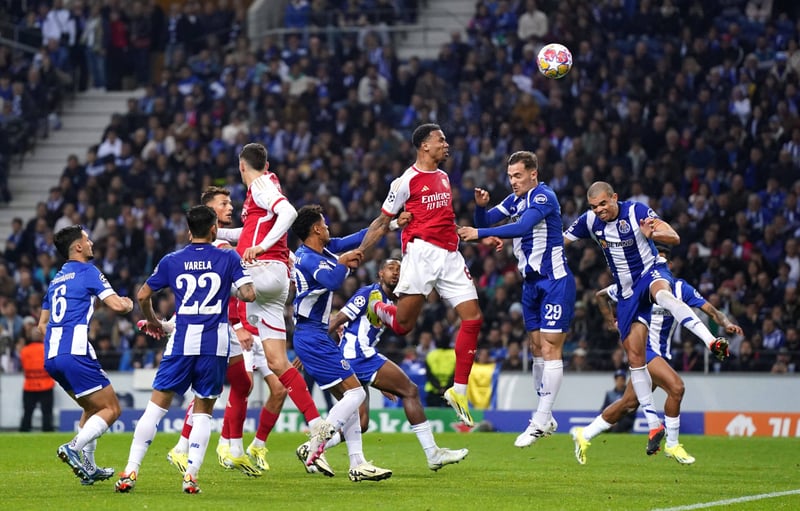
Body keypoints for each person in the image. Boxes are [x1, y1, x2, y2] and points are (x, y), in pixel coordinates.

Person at [564, 181, 730, 456]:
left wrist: (653, 234)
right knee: (633, 392)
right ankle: (642, 429)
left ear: (615, 198)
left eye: (603, 203)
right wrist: (610, 321)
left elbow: (674, 236)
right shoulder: (589, 222)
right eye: (594, 206)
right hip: (628, 295)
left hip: (647, 275)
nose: (599, 210)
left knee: (664, 296)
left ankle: (711, 341)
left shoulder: (636, 212)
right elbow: (565, 248)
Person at [115, 205, 256, 494]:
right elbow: (249, 294)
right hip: (214, 344)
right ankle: (191, 476)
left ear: (189, 231)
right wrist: (232, 284)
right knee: (203, 411)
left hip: (181, 342)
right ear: (214, 229)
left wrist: (154, 321)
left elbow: (142, 295)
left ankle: (130, 470)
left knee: (155, 408)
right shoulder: (228, 256)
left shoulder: (172, 260)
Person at [358, 123, 485, 426]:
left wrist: (481, 236)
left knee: (473, 318)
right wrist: (360, 251)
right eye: (441, 140)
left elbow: (444, 220)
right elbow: (382, 222)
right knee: (404, 326)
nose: (446, 144)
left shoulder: (443, 177)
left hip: (450, 254)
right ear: (424, 145)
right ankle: (378, 306)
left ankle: (459, 390)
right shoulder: (406, 181)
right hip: (421, 254)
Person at [571, 246, 744, 465]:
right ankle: (672, 444)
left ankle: (584, 434)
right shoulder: (637, 284)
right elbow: (601, 296)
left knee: (628, 404)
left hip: (660, 353)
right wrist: (610, 321)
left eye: (661, 261)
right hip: (644, 351)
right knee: (677, 387)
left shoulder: (680, 288)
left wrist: (726, 323)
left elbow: (710, 309)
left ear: (668, 266)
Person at [457, 150, 575, 447]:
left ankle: (540, 419)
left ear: (533, 174)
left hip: (554, 281)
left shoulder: (543, 197)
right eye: (510, 176)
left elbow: (522, 227)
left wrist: (479, 231)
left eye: (518, 175)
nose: (513, 181)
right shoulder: (514, 200)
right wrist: (481, 208)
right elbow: (487, 219)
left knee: (550, 347)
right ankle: (546, 416)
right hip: (530, 284)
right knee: (535, 347)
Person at [215, 143, 327, 447]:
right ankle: (316, 423)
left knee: (210, 278)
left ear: (242, 166)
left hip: (262, 270)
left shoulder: (261, 185)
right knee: (278, 363)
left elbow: (288, 212)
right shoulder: (264, 191)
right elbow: (249, 232)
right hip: (275, 283)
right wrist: (218, 232)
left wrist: (262, 247)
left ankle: (226, 444)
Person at [327, 258, 469, 471]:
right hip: (358, 356)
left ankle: (313, 447)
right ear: (380, 273)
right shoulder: (369, 293)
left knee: (361, 424)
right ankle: (433, 453)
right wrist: (314, 347)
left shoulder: (393, 301)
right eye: (390, 268)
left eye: (399, 270)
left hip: (358, 357)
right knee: (410, 390)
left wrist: (382, 383)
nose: (395, 272)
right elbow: (339, 319)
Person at [162, 186, 262, 477]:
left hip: (218, 326)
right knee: (209, 390)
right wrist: (239, 326)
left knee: (241, 384)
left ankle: (230, 448)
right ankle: (200, 448)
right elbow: (225, 295)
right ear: (210, 212)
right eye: (224, 203)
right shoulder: (217, 249)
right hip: (217, 328)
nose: (230, 207)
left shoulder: (219, 245)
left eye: (230, 203)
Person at [291, 204, 392, 482]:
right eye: (324, 224)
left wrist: (391, 222)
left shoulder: (323, 250)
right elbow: (334, 281)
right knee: (356, 394)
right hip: (312, 335)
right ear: (316, 229)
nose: (328, 227)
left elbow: (359, 237)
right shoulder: (307, 259)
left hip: (314, 335)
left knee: (350, 398)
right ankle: (316, 442)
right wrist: (344, 262)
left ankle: (358, 463)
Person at [39, 225, 134, 484]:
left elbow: (41, 325)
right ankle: (73, 447)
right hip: (75, 351)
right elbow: (117, 305)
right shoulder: (88, 271)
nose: (91, 242)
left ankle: (90, 467)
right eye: (87, 239)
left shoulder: (55, 281)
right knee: (111, 408)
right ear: (78, 247)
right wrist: (129, 303)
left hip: (52, 356)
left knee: (92, 407)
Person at [20, 322, 55, 432]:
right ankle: (47, 430)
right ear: (41, 336)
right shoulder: (47, 349)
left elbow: (23, 367)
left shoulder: (24, 351)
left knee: (27, 412)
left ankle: (24, 430)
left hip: (29, 385)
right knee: (47, 412)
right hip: (46, 384)